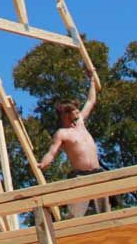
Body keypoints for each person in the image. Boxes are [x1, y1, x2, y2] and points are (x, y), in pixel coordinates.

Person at [39, 71, 107, 217]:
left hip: (97, 173)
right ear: (65, 114)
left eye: (77, 109)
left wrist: (92, 82)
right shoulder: (62, 133)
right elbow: (52, 152)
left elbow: (90, 101)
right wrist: (42, 164)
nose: (78, 111)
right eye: (74, 110)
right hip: (80, 176)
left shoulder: (81, 122)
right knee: (77, 214)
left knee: (104, 213)